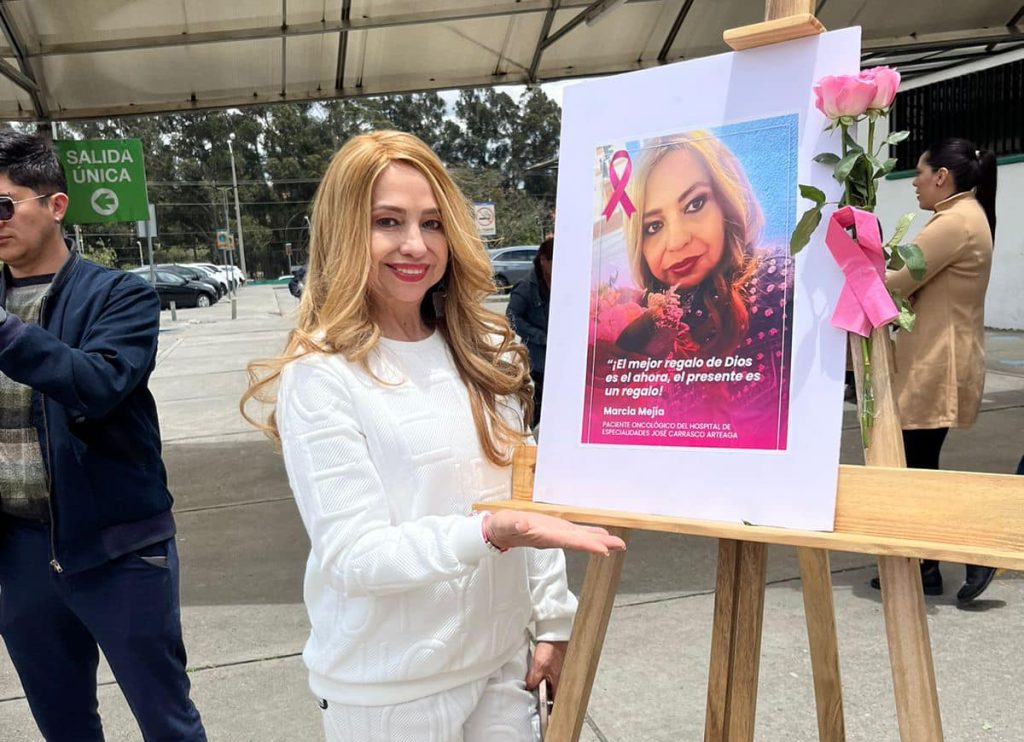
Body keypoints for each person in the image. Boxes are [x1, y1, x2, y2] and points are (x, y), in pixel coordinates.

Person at [241, 130, 625, 742]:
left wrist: (553, 618)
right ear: (343, 231)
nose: (415, 244)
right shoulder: (322, 373)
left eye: (433, 222)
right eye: (387, 221)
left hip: (501, 667)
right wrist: (488, 533)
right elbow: (353, 554)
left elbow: (525, 492)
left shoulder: (482, 350)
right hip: (390, 692)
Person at [0, 131, 205, 739]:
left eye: (4, 204)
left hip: (117, 549)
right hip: (19, 555)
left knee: (166, 719)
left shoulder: (121, 295)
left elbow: (98, 383)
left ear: (55, 205)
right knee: (63, 725)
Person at [870, 138, 997, 605]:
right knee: (917, 463)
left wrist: (859, 255)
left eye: (919, 175)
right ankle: (923, 567)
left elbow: (896, 280)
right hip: (940, 358)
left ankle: (976, 546)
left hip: (935, 363)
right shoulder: (967, 217)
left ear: (942, 176)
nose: (915, 185)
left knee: (917, 467)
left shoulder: (954, 223)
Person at [606, 131, 793, 446]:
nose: (677, 240)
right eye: (653, 226)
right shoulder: (638, 318)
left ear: (727, 202)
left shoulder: (777, 287)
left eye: (694, 204)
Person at [507, 237, 554, 428]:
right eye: (555, 262)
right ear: (543, 260)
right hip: (538, 360)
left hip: (560, 357)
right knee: (538, 405)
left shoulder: (565, 283)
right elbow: (511, 317)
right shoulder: (526, 287)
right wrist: (538, 336)